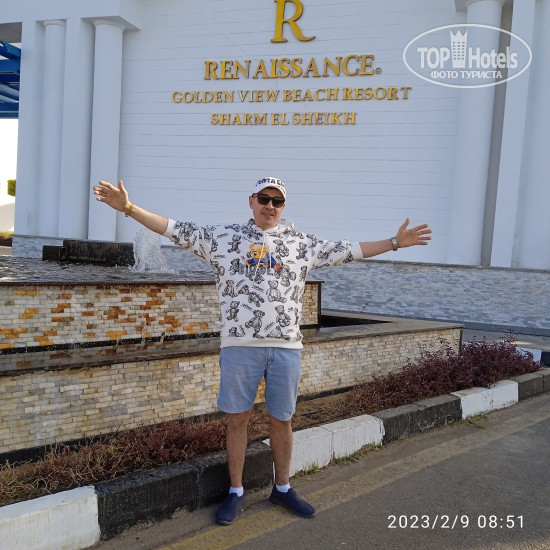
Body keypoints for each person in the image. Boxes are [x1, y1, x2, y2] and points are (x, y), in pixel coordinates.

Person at [93, 176, 431, 525]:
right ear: (251, 201)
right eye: (264, 198)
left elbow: (351, 250)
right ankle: (235, 491)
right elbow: (173, 228)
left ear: (283, 206)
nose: (270, 206)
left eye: (277, 201)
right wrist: (128, 208)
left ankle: (282, 487)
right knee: (238, 419)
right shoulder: (223, 239)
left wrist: (395, 242)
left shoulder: (302, 244)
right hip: (239, 347)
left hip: (286, 348)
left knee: (282, 419)